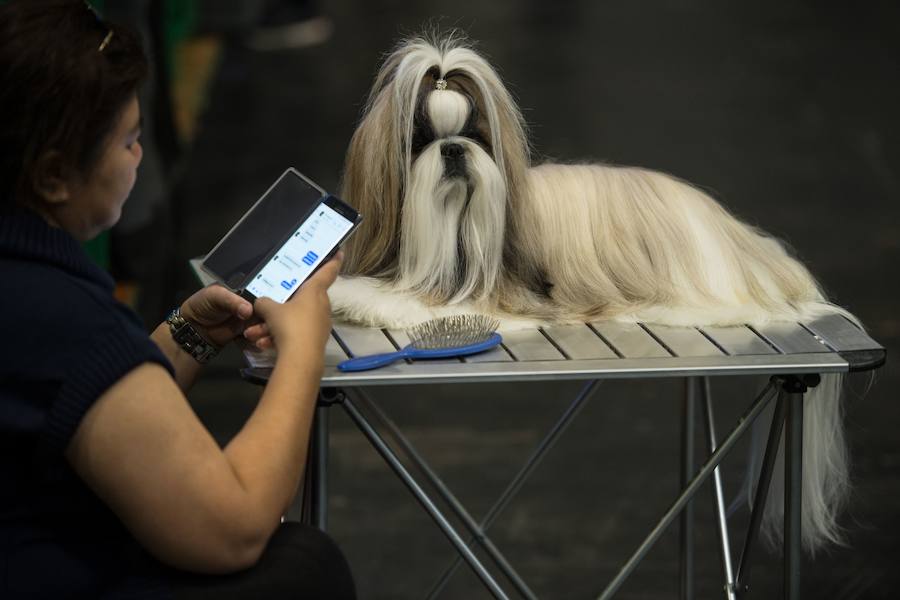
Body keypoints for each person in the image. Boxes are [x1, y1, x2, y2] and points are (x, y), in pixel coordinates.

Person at [0, 1, 355, 598]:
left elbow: (94, 411)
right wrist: (302, 350)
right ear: (55, 176)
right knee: (301, 564)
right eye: (129, 141)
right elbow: (232, 527)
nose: (140, 156)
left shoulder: (29, 285)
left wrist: (189, 332)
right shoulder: (64, 314)